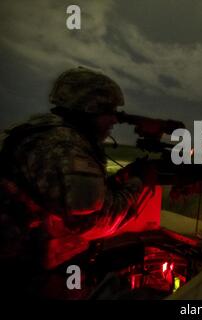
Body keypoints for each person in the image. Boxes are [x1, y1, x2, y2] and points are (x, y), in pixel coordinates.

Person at [0, 66, 156, 297]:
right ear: (88, 109)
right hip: (22, 273)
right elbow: (97, 223)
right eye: (108, 111)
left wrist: (116, 182)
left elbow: (60, 194)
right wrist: (139, 181)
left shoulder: (44, 131)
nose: (114, 119)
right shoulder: (65, 147)